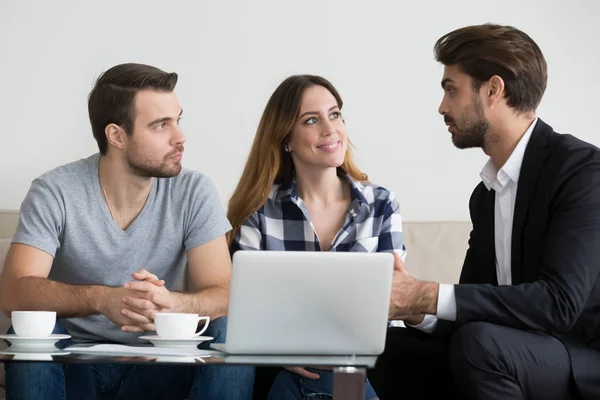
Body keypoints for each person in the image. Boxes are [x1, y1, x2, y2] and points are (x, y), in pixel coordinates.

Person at [367, 23, 600, 400]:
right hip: (505, 350)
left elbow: (559, 305)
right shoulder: (486, 195)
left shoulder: (581, 172)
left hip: (582, 361)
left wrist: (427, 295)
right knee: (384, 350)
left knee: (482, 343)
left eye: (450, 89)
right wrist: (413, 309)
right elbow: (476, 306)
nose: (442, 107)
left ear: (493, 90)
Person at [0, 63, 255, 400]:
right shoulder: (55, 191)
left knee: (231, 329)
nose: (180, 137)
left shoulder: (194, 190)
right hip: (74, 366)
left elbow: (225, 294)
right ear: (117, 136)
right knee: (28, 329)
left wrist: (170, 304)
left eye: (177, 120)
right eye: (161, 125)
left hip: (160, 366)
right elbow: (14, 293)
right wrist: (101, 299)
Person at [227, 74, 406, 400]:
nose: (330, 129)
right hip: (279, 363)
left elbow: (392, 305)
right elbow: (241, 310)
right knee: (319, 375)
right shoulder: (259, 211)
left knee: (333, 372)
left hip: (364, 364)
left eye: (334, 114)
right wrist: (285, 350)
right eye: (312, 120)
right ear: (286, 139)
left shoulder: (381, 205)